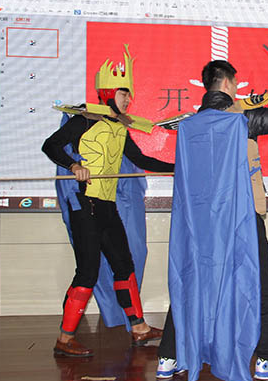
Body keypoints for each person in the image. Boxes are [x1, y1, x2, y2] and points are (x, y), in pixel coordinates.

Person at [157, 59, 268, 381]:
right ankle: (266, 358)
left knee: (192, 277)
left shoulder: (189, 126)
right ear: (228, 83)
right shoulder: (239, 120)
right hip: (240, 218)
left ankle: (168, 357)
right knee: (261, 283)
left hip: (200, 224)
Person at [42, 46, 174, 357]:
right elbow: (51, 145)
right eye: (123, 93)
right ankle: (64, 339)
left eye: (129, 94)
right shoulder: (85, 120)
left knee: (124, 266)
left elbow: (141, 159)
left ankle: (139, 328)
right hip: (83, 204)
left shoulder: (119, 126)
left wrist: (179, 166)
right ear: (108, 93)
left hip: (106, 206)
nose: (128, 99)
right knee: (87, 272)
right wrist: (74, 165)